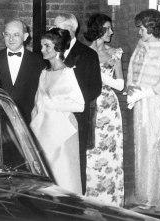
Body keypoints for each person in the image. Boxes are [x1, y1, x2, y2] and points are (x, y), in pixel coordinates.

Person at [126, 9, 160, 212]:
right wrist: (132, 90)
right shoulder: (141, 47)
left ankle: (156, 198)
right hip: (141, 104)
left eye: (141, 28)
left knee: (155, 148)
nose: (139, 32)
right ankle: (144, 196)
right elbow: (134, 73)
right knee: (142, 148)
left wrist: (146, 92)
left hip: (157, 104)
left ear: (151, 28)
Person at [30, 28, 84, 194]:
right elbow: (37, 104)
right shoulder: (43, 73)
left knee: (63, 172)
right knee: (45, 172)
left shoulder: (68, 73)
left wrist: (54, 104)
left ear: (58, 48)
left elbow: (80, 105)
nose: (42, 50)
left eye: (47, 46)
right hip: (43, 129)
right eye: (41, 46)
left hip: (62, 131)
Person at [54, 13, 102, 194]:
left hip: (76, 118)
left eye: (58, 28)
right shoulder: (51, 51)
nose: (54, 31)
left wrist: (71, 103)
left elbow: (95, 87)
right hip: (53, 118)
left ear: (70, 30)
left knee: (75, 163)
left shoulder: (88, 54)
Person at [83, 13, 124, 207]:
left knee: (111, 150)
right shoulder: (84, 53)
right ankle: (92, 199)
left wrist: (115, 66)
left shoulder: (115, 52)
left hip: (109, 106)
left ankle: (112, 201)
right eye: (107, 28)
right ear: (98, 29)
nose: (111, 32)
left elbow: (120, 85)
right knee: (93, 150)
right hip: (92, 104)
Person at [0, 19, 45, 125]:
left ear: (26, 36)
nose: (11, 39)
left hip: (28, 122)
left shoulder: (39, 62)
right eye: (7, 34)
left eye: (16, 35)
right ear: (3, 35)